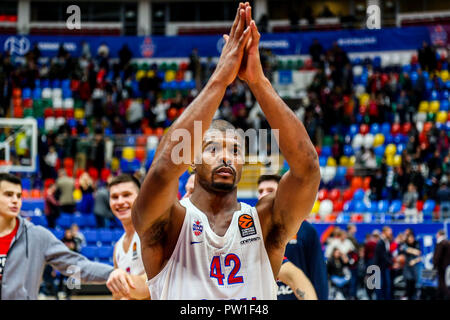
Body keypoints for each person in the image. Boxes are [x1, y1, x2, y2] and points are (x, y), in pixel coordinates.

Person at [133, 2, 320, 300]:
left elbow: (307, 169)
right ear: (190, 159)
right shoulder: (171, 222)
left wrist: (258, 82)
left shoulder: (265, 221)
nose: (226, 157)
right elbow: (162, 170)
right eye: (212, 148)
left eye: (235, 150)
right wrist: (220, 78)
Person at [185, 173, 317, 300]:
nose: (186, 196)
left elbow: (294, 276)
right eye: (187, 191)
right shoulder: (177, 234)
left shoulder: (243, 230)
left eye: (192, 192)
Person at [0, 173, 121, 300]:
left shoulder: (37, 236)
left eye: (19, 196)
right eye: (8, 195)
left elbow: (77, 265)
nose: (15, 200)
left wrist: (113, 273)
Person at [257, 174, 327, 300]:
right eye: (260, 191)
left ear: (283, 194)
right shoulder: (253, 231)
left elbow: (319, 276)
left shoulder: (306, 230)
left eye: (270, 190)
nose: (263, 195)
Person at [105, 174, 150, 300]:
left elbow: (152, 286)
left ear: (140, 197)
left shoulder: (152, 232)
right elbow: (117, 295)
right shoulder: (117, 247)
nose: (120, 202)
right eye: (114, 197)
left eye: (126, 195)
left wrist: (124, 281)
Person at [399, 232, 421, 300]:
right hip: (407, 268)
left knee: (415, 286)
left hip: (415, 269)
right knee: (408, 284)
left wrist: (415, 261)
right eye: (409, 238)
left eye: (412, 238)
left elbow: (420, 255)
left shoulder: (417, 244)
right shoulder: (404, 245)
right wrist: (414, 251)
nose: (411, 239)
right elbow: (407, 249)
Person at [374, 226, 393, 300]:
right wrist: (391, 263)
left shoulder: (386, 241)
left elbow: (387, 254)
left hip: (385, 267)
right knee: (379, 285)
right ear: (384, 232)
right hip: (379, 267)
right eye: (389, 231)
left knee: (386, 284)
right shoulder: (380, 242)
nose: (391, 233)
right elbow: (382, 256)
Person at [433, 230, 450, 300]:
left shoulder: (441, 243)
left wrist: (435, 265)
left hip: (442, 267)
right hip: (446, 266)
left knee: (442, 283)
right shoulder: (447, 242)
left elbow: (437, 256)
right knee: (443, 283)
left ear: (439, 234)